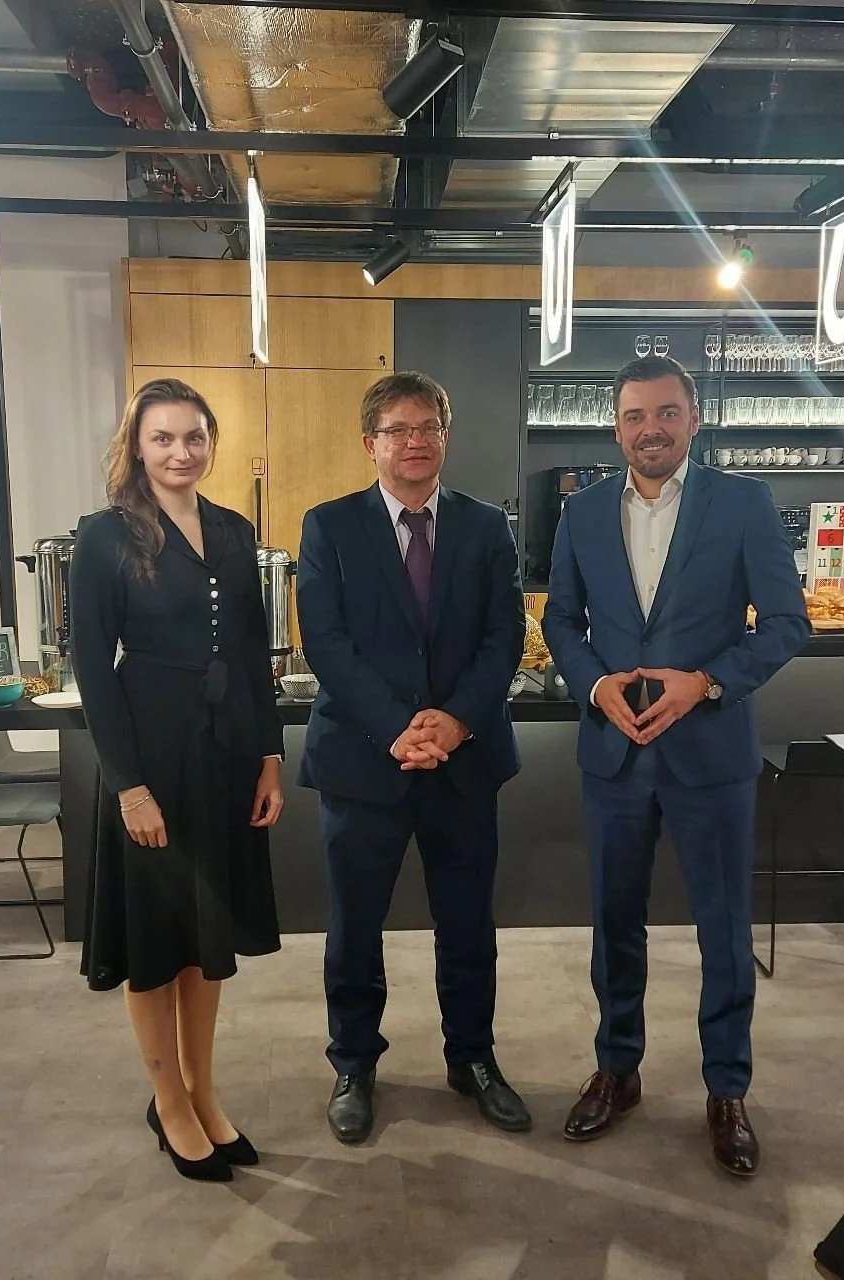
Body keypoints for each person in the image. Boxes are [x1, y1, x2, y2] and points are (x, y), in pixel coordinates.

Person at [542, 355, 809, 1177]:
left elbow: (786, 622)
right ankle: (616, 1070)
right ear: (614, 427)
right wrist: (594, 686)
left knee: (723, 929)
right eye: (633, 416)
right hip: (615, 752)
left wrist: (708, 682)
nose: (649, 429)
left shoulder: (742, 503)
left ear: (693, 419)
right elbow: (559, 621)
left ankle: (726, 1090)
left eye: (665, 413)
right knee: (613, 922)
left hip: (710, 752)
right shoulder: (582, 512)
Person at [295, 371, 528, 1145]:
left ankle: (473, 1058)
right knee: (354, 929)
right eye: (397, 430)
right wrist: (396, 727)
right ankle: (354, 1063)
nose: (415, 441)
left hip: (464, 762)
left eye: (427, 427)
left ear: (445, 437)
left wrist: (455, 722)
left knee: (467, 925)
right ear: (370, 443)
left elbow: (504, 635)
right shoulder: (329, 526)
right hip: (363, 763)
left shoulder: (486, 527)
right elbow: (325, 640)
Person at [69, 378, 286, 1184]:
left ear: (210, 442)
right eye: (162, 438)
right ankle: (166, 1100)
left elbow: (253, 653)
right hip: (152, 756)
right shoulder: (104, 537)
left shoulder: (232, 529)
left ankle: (202, 1090)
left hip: (224, 758)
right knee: (156, 941)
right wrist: (127, 786)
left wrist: (268, 757)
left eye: (193, 436)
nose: (180, 452)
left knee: (205, 938)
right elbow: (93, 669)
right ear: (136, 446)